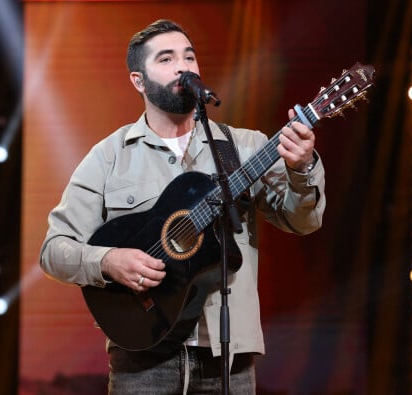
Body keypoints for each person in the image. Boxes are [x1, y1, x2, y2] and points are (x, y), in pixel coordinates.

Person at [39, 19, 326, 394]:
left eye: (189, 57)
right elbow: (53, 251)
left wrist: (302, 167)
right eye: (167, 58)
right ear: (138, 80)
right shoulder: (109, 156)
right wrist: (107, 261)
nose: (183, 66)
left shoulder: (243, 148)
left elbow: (302, 222)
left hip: (228, 358)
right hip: (143, 360)